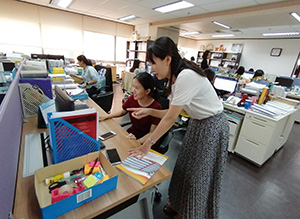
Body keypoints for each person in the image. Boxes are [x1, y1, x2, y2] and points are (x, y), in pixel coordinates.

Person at [127, 37, 229, 218]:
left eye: (153, 63)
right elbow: (170, 112)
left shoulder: (186, 76)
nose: (152, 69)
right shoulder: (175, 78)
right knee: (184, 168)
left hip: (212, 127)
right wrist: (148, 111)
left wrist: (146, 144)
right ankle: (179, 205)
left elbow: (170, 119)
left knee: (198, 175)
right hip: (198, 124)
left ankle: (190, 213)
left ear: (167, 59)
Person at [99, 72, 162, 149]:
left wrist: (137, 142)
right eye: (133, 86)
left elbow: (152, 133)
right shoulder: (132, 98)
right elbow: (123, 111)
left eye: (137, 88)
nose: (133, 90)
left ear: (147, 91)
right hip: (134, 134)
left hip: (147, 141)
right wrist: (107, 116)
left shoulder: (156, 107)